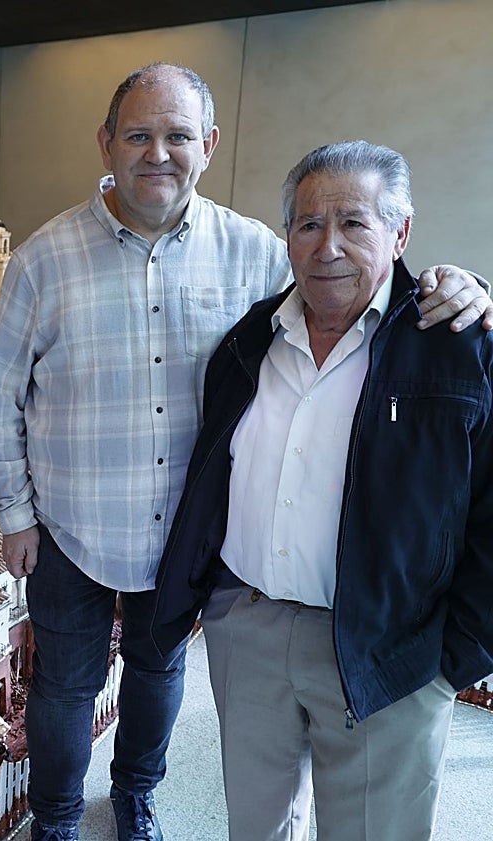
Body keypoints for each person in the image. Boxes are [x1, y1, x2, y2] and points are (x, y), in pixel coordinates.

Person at [0, 63, 492, 841]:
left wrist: (464, 286)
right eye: (139, 134)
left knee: (156, 673)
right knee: (64, 688)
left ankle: (138, 794)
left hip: (186, 541)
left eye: (178, 135)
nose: (158, 153)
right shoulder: (42, 260)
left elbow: (363, 285)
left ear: (207, 146)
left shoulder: (254, 252)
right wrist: (14, 514)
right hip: (71, 532)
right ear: (106, 143)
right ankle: (55, 817)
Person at [152, 140, 493, 841]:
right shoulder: (250, 341)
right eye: (308, 224)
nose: (326, 245)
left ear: (400, 233)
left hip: (387, 645)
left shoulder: (459, 346)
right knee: (258, 826)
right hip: (248, 629)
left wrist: (449, 659)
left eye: (354, 223)